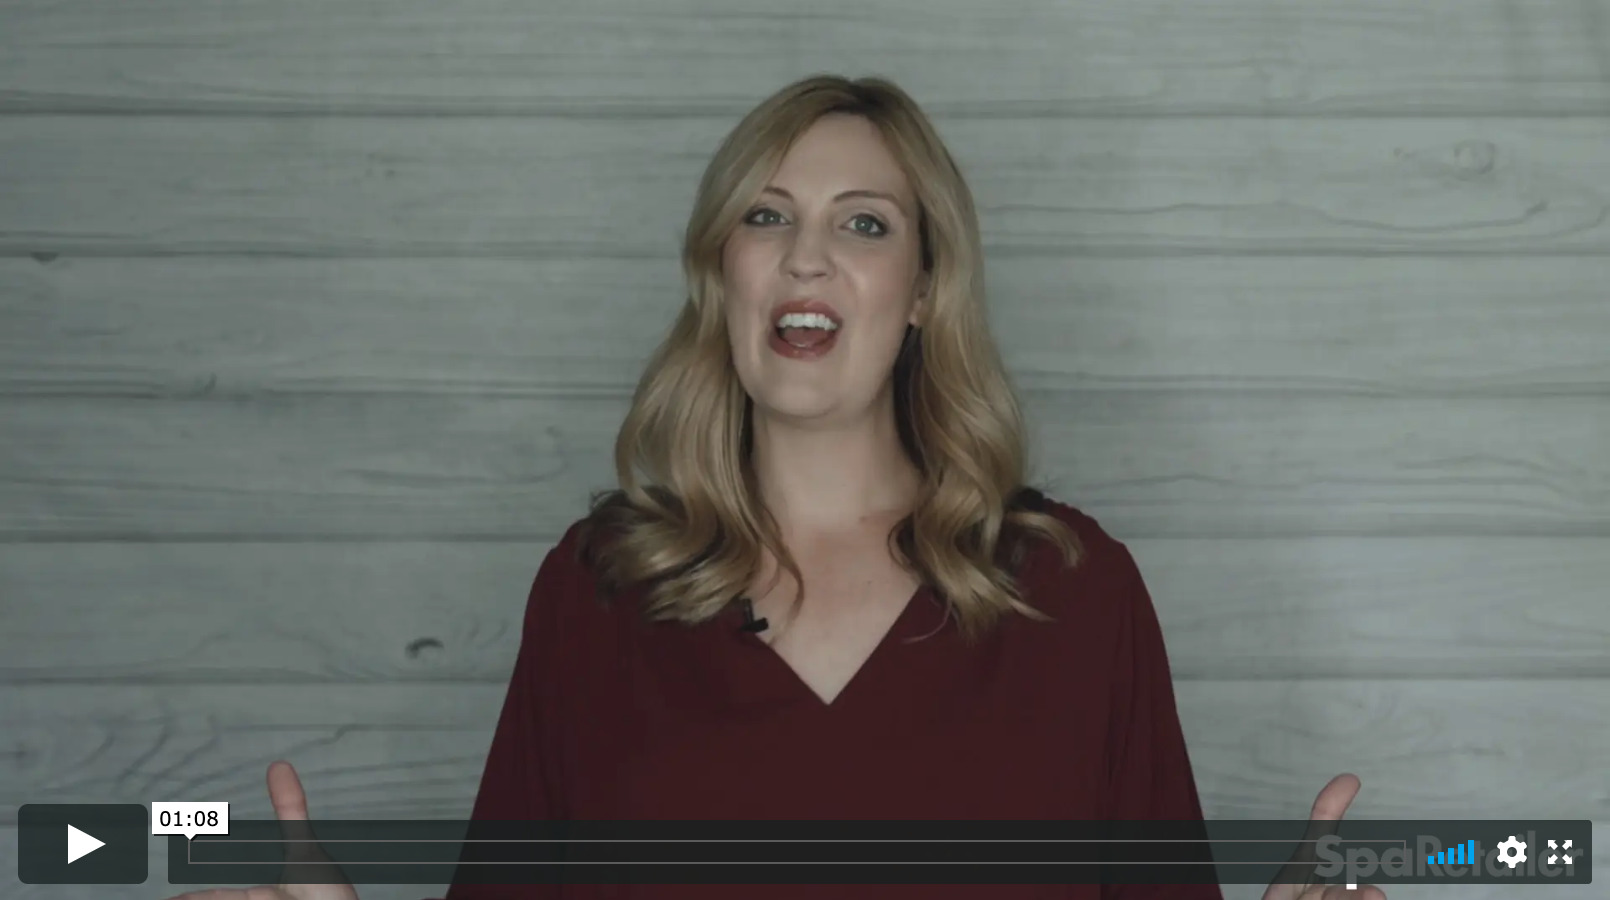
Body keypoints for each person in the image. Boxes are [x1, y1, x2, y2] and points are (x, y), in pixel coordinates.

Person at [165, 75, 1384, 900]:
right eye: (767, 216)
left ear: (923, 293)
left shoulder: (1072, 594)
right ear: (724, 276)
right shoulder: (596, 593)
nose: (806, 255)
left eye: (863, 225)